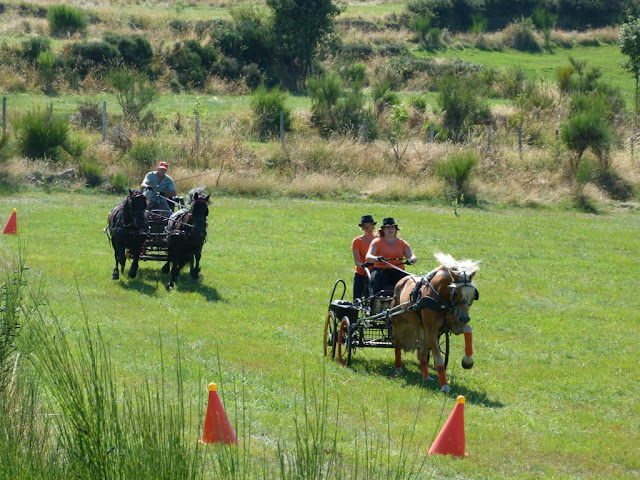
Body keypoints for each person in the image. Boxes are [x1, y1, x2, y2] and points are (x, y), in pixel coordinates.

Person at [365, 217, 417, 297]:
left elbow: (413, 256)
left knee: (412, 281)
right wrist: (376, 258)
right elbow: (368, 257)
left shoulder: (402, 243)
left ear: (396, 229)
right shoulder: (377, 242)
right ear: (383, 229)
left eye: (392, 227)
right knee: (377, 279)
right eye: (388, 227)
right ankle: (375, 302)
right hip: (381, 270)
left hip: (398, 270)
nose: (390, 229)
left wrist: (411, 260)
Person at [351, 215, 377, 300]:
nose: (369, 229)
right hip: (361, 275)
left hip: (375, 275)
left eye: (371, 227)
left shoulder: (379, 239)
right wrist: (364, 265)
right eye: (366, 227)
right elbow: (357, 261)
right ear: (362, 228)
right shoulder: (357, 241)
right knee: (356, 301)